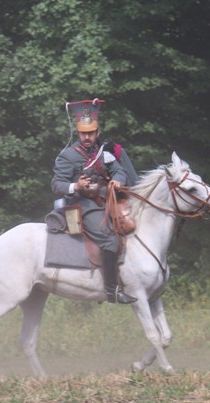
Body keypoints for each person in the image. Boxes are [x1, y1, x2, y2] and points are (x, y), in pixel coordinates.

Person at [51, 99, 138, 304]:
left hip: (107, 200)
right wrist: (76, 186)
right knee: (110, 239)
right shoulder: (68, 155)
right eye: (83, 133)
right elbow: (57, 185)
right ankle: (112, 291)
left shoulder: (103, 151)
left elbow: (118, 170)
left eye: (91, 133)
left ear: (97, 132)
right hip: (82, 205)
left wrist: (118, 179)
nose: (87, 137)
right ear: (78, 132)